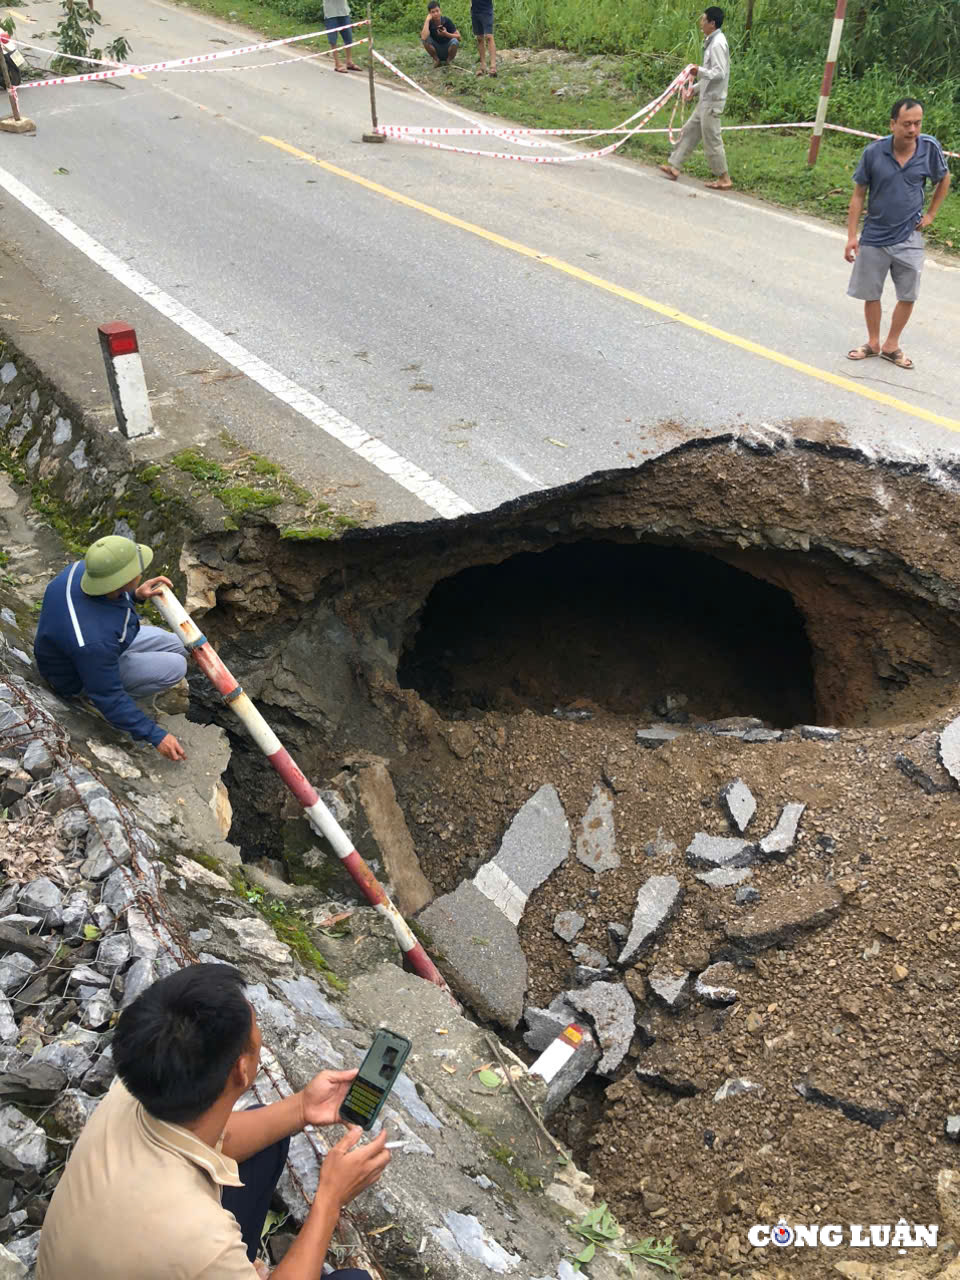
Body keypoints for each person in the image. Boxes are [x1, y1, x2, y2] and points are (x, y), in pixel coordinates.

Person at [37, 963, 391, 1280]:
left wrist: (301, 1109)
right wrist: (329, 1197)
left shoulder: (131, 1091)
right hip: (181, 1242)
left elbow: (221, 1137)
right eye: (255, 1031)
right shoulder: (202, 1240)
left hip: (119, 1237)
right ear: (242, 1069)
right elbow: (200, 1245)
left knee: (268, 1140)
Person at [33, 535, 189, 763]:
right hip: (76, 675)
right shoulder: (93, 641)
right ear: (122, 581)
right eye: (136, 571)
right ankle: (89, 698)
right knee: (177, 666)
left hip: (92, 646)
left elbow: (105, 603)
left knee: (179, 644)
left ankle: (120, 672)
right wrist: (156, 735)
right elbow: (109, 696)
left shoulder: (80, 570)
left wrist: (135, 595)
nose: (140, 572)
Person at [845, 97, 951, 370]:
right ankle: (873, 342)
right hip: (875, 235)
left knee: (908, 294)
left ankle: (891, 345)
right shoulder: (873, 152)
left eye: (917, 123)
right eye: (906, 124)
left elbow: (944, 178)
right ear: (893, 124)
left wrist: (931, 215)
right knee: (871, 292)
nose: (913, 129)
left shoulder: (929, 148)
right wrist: (851, 235)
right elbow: (858, 195)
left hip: (909, 236)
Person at [659, 7, 732, 190]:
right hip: (706, 99)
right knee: (689, 131)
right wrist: (695, 89)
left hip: (713, 102)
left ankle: (724, 177)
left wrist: (697, 71)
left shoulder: (717, 44)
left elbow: (719, 73)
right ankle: (674, 166)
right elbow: (712, 76)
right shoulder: (712, 41)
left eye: (703, 20)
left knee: (712, 139)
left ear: (712, 23)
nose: (701, 23)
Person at [324, 0, 362, 73]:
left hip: (344, 12)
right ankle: (337, 64)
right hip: (331, 13)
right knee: (333, 39)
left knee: (348, 38)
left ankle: (349, 62)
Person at [421, 1, 461, 68]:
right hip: (436, 50)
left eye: (437, 11)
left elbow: (459, 37)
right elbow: (423, 37)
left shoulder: (447, 21)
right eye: (433, 12)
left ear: (440, 11)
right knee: (425, 40)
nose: (436, 14)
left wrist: (446, 34)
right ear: (429, 14)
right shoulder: (429, 22)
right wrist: (427, 20)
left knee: (455, 41)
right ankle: (436, 60)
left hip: (448, 49)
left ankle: (449, 60)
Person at [470, 0, 496, 76]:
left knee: (489, 36)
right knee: (479, 38)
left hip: (486, 9)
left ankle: (493, 67)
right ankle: (483, 66)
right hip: (475, 10)